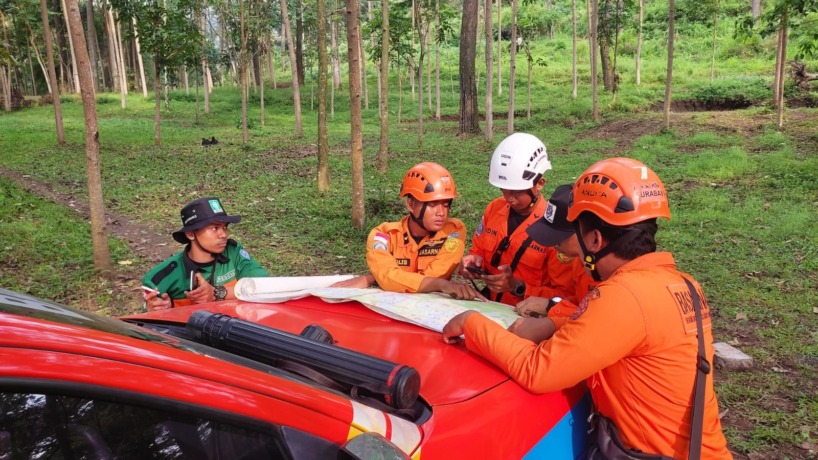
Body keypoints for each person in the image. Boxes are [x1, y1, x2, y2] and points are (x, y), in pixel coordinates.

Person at [443, 158, 732, 458]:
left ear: (595, 239)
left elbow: (538, 370)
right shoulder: (684, 285)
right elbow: (618, 333)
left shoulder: (624, 296)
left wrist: (471, 322)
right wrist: (554, 322)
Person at [333, 162, 483, 300]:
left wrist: (374, 278)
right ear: (411, 204)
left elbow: (435, 276)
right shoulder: (383, 235)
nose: (441, 213)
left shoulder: (453, 231)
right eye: (432, 204)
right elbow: (389, 276)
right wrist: (381, 277)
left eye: (445, 204)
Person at [458, 132, 575, 307]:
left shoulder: (554, 229)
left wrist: (518, 287)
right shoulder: (494, 209)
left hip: (527, 318)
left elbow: (565, 296)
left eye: (517, 191)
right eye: (504, 189)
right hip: (489, 307)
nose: (509, 198)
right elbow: (479, 250)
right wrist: (473, 261)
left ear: (540, 183)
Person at [142, 197, 268, 310]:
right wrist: (162, 310)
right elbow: (145, 324)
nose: (223, 234)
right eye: (214, 228)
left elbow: (265, 286)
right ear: (191, 234)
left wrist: (218, 293)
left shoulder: (234, 253)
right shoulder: (160, 277)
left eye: (224, 227)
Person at [510, 183, 597, 342]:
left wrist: (551, 308)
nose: (554, 245)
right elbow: (578, 302)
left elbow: (598, 321)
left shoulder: (611, 271)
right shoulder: (580, 260)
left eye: (559, 239)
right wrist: (552, 304)